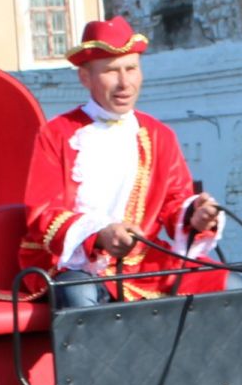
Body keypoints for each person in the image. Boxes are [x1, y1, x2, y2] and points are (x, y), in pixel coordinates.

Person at [21, 16, 223, 309]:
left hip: (145, 265)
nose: (124, 83)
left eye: (131, 68)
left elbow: (174, 201)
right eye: (111, 71)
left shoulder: (159, 134)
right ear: (85, 78)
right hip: (74, 264)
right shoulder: (56, 133)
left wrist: (195, 215)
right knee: (81, 297)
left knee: (227, 285)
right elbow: (41, 214)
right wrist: (98, 235)